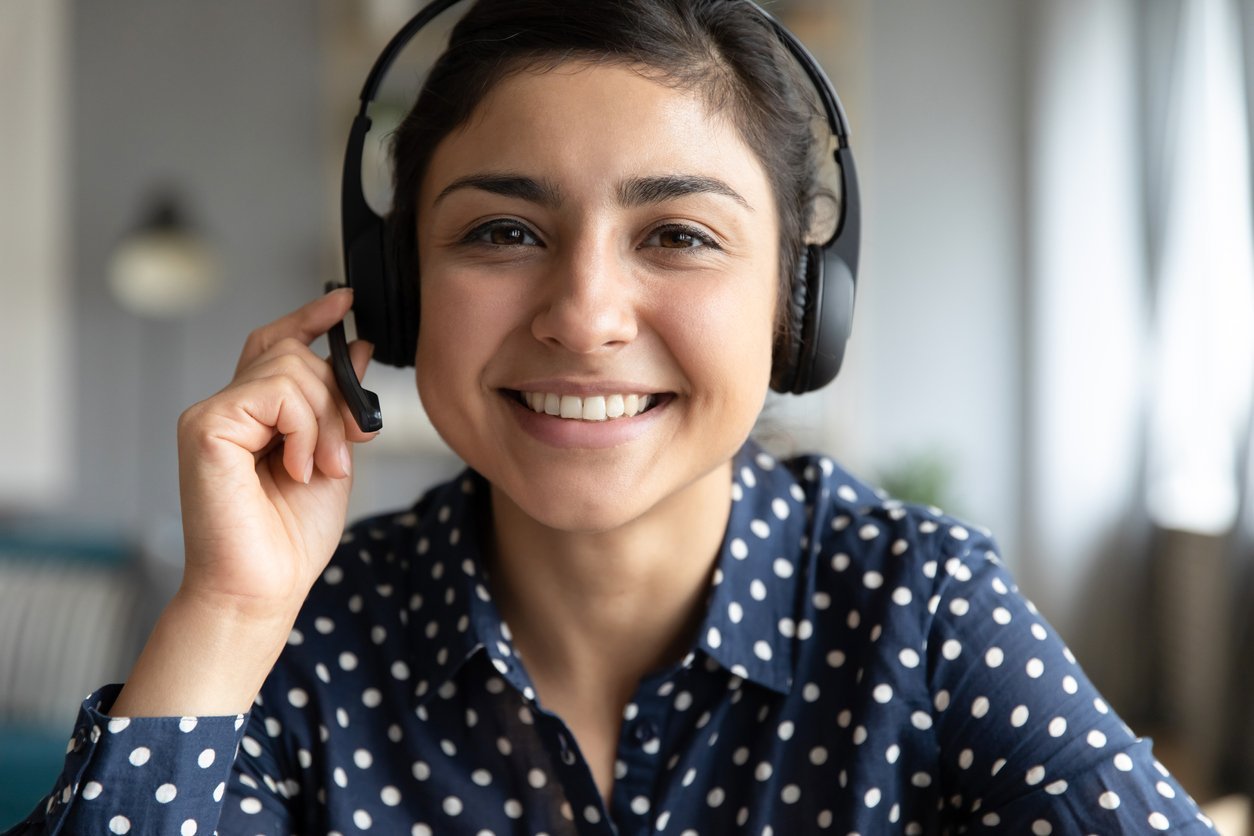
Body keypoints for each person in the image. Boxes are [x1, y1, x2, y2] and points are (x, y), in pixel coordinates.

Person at [6, 0, 1219, 834]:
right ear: (397, 289)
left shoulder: (918, 605)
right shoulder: (310, 638)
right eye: (503, 230)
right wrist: (226, 613)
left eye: (679, 235)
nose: (584, 315)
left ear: (800, 306)